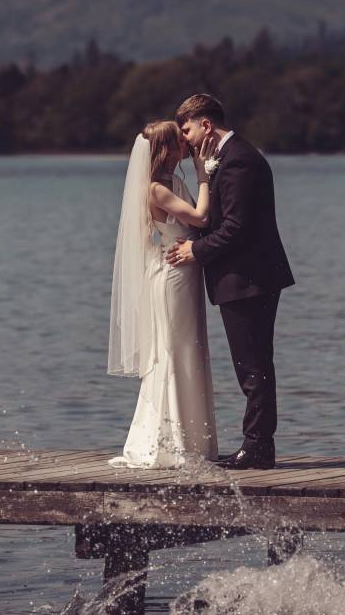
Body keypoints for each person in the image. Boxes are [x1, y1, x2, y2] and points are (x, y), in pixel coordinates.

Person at [168, 94, 295, 470]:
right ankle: (257, 445)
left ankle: (257, 447)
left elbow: (236, 228)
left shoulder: (239, 159)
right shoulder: (227, 156)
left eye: (187, 130)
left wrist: (196, 251)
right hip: (244, 275)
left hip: (249, 276)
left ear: (206, 125)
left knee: (254, 365)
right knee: (250, 364)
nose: (185, 138)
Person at [107, 121, 219, 468]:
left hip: (185, 271)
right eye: (178, 140)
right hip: (172, 274)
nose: (186, 143)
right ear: (165, 149)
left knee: (189, 349)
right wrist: (205, 175)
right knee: (172, 350)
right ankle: (168, 443)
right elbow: (200, 218)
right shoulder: (156, 188)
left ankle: (190, 440)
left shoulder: (174, 182)